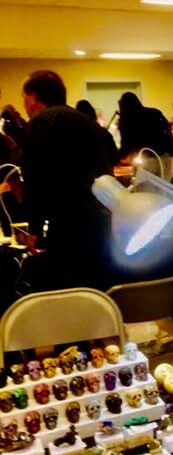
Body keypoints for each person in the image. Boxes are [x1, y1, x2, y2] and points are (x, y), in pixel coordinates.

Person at [21, 70, 113, 290]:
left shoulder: (41, 122)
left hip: (66, 222)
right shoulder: (89, 122)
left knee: (68, 286)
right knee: (95, 286)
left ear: (33, 97)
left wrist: (34, 228)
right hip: (100, 218)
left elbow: (34, 177)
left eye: (24, 97)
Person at [118, 92, 173, 180]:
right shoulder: (155, 112)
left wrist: (118, 157)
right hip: (164, 156)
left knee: (145, 187)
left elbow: (127, 143)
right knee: (165, 186)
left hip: (145, 158)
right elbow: (167, 131)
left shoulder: (127, 118)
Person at [76, 99, 119, 170]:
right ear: (93, 114)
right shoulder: (103, 133)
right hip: (104, 173)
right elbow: (115, 158)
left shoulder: (74, 134)